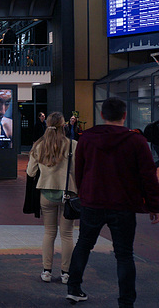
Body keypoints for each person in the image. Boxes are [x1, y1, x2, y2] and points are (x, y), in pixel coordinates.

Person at [66, 97, 159, 305]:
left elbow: (78, 169)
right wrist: (154, 205)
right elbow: (148, 175)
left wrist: (84, 192)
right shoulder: (136, 141)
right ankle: (126, 301)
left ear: (102, 115)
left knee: (83, 244)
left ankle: (73, 288)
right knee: (124, 254)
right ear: (124, 115)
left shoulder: (87, 139)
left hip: (92, 202)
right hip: (123, 205)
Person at [26, 112, 77, 285]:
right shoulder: (72, 145)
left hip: (46, 194)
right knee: (67, 235)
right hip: (67, 193)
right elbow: (78, 171)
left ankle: (46, 271)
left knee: (49, 233)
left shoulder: (39, 145)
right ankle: (66, 273)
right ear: (64, 126)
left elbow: (30, 172)